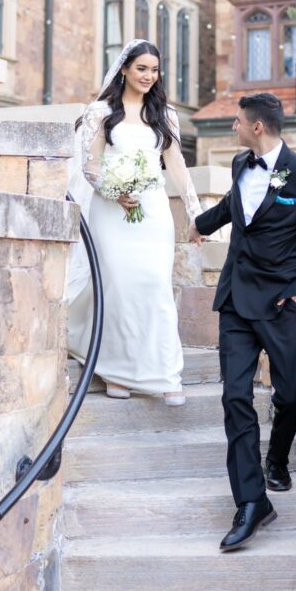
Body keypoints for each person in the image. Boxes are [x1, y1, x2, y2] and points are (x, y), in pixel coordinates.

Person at [189, 92, 296, 550]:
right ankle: (251, 502)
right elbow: (233, 207)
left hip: (281, 306)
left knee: (291, 393)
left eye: (237, 122)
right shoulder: (243, 163)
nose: (233, 129)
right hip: (237, 301)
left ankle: (277, 459)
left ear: (257, 126)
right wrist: (201, 223)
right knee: (235, 396)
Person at [68, 38, 202, 405]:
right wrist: (113, 190)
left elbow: (176, 166)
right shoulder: (100, 112)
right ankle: (116, 370)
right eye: (141, 68)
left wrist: (196, 213)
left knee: (155, 285)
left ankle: (166, 372)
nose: (148, 76)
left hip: (153, 211)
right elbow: (90, 165)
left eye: (154, 70)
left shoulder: (165, 114)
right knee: (118, 287)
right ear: (124, 68)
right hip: (110, 210)